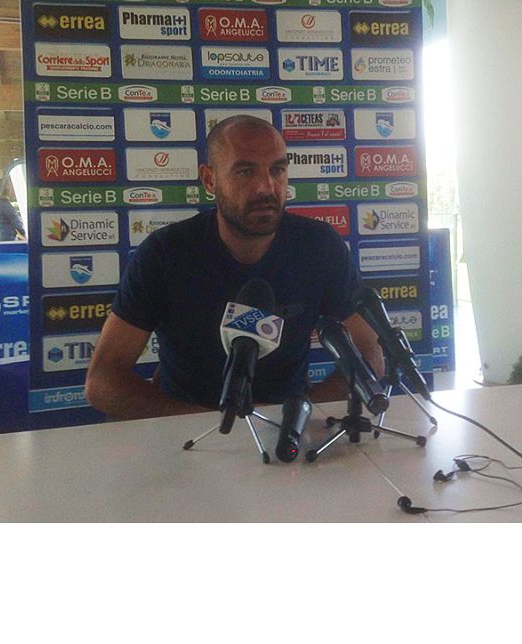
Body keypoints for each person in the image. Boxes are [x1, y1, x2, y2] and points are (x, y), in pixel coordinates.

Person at [85, 115, 383, 419]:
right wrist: (208, 424)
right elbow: (103, 382)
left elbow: (370, 353)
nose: (266, 187)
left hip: (288, 434)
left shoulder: (319, 246)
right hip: (188, 431)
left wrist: (300, 413)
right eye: (245, 171)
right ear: (209, 180)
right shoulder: (165, 253)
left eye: (277, 170)